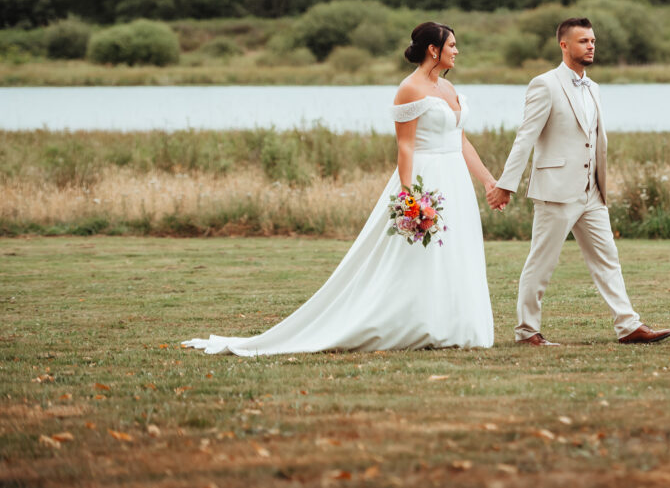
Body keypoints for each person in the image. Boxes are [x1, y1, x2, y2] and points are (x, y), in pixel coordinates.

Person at [183, 22, 495, 355]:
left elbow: (460, 141)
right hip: (425, 179)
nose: (457, 51)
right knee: (415, 257)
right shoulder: (410, 88)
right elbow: (404, 147)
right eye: (452, 45)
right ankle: (416, 323)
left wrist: (489, 180)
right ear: (434, 50)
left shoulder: (448, 89)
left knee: (455, 251)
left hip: (455, 181)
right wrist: (408, 198)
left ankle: (456, 325)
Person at [487, 17, 670, 346]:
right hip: (556, 191)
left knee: (607, 259)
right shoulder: (544, 84)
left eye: (593, 41)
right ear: (564, 45)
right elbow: (525, 137)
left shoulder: (594, 87)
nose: (591, 46)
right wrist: (506, 184)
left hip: (591, 192)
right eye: (584, 41)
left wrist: (600, 183)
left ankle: (628, 326)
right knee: (541, 263)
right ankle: (527, 331)